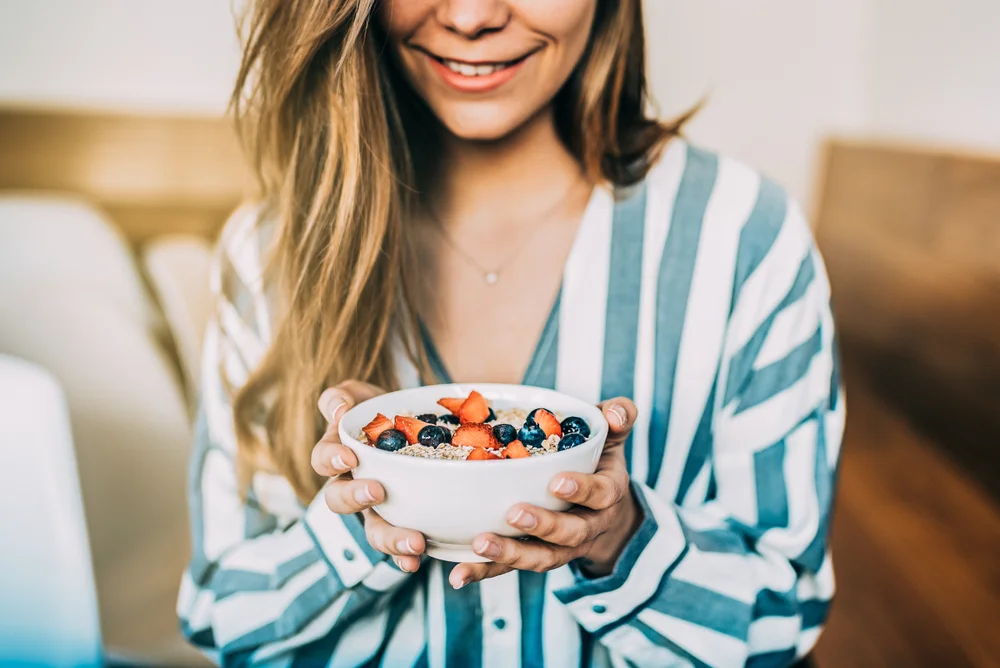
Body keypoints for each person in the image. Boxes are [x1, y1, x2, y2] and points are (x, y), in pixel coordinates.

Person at [178, 1, 844, 666]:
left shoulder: (743, 237)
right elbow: (221, 615)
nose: (470, 16)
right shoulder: (271, 251)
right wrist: (357, 519)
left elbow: (785, 619)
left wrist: (619, 540)